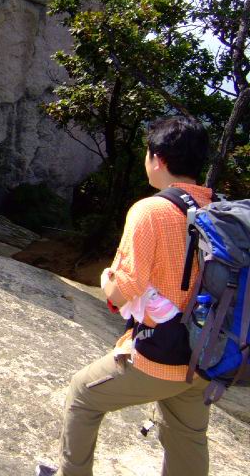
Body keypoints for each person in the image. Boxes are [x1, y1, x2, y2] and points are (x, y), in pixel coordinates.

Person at [40, 117, 215, 476]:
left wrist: (106, 280)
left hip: (161, 356)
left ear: (158, 159)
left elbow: (125, 290)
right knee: (187, 436)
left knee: (82, 393)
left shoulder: (151, 210)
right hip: (206, 355)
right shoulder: (217, 210)